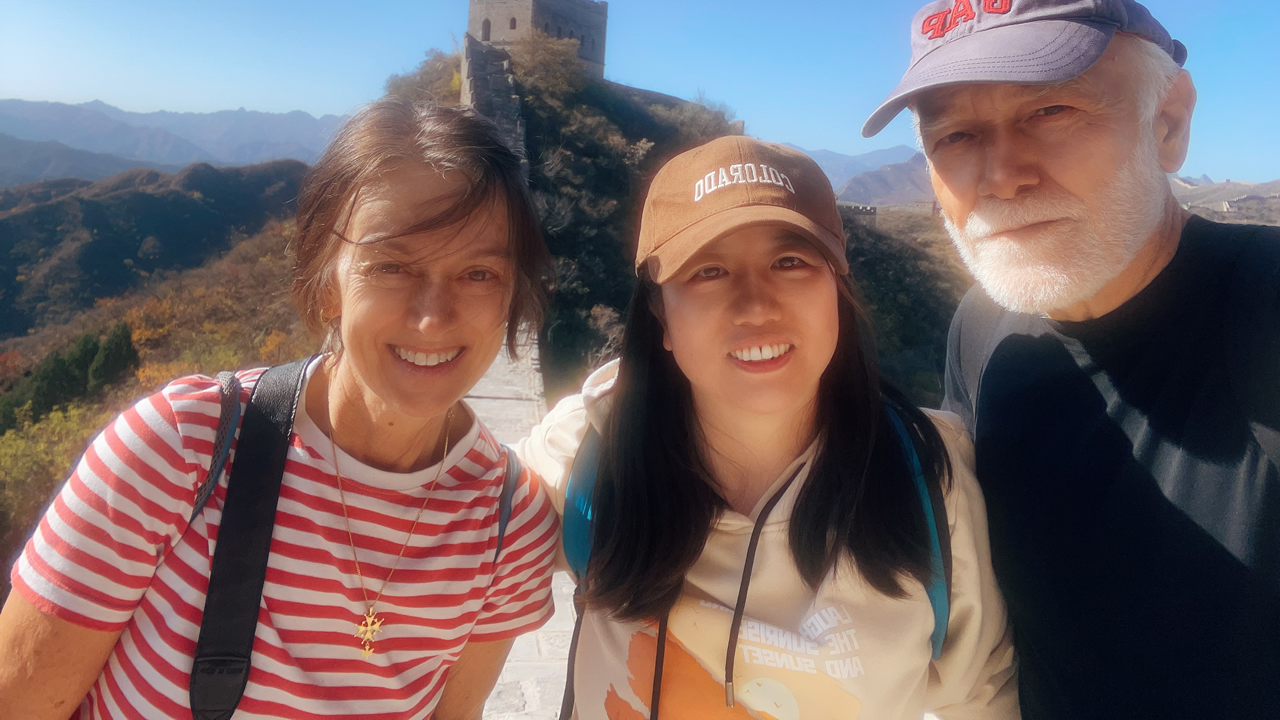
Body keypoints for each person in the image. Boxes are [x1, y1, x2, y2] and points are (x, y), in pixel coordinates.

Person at [0, 99, 560, 719]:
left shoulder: (510, 528)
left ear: (514, 296)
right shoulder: (180, 451)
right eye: (391, 266)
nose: (433, 316)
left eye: (479, 274)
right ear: (327, 285)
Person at [862, 0, 1280, 718]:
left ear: (1168, 121)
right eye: (954, 136)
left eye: (1051, 111)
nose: (1001, 174)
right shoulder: (984, 331)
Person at [520, 136, 1017, 719]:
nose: (755, 306)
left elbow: (984, 696)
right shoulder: (590, 450)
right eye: (709, 271)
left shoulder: (930, 479)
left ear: (838, 288)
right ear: (661, 317)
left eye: (790, 262)